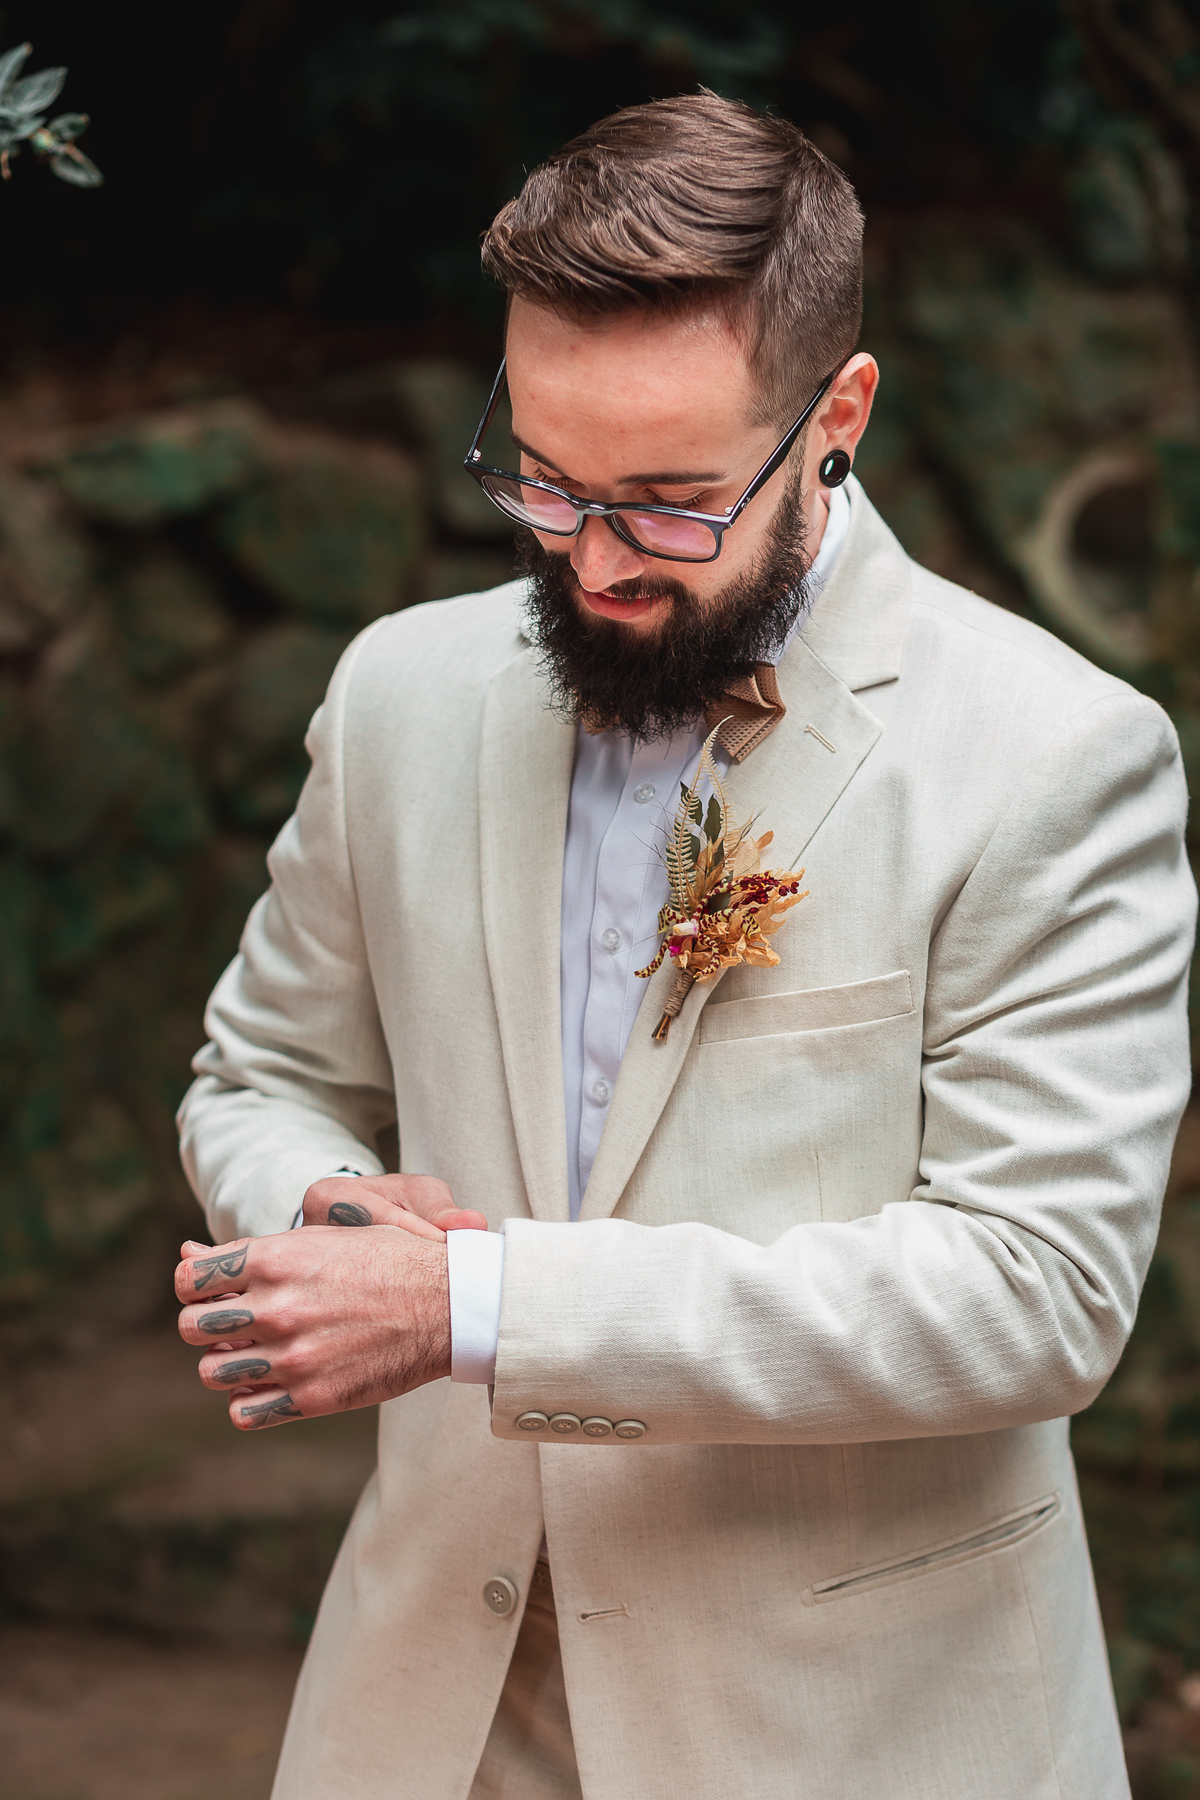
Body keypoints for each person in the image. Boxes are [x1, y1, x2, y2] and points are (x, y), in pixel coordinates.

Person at [175, 92, 1194, 1800]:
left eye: (667, 502)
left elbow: (1037, 1293)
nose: (586, 560)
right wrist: (323, 1212)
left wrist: (479, 1305)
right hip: (434, 1708)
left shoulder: (1054, 755)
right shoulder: (400, 694)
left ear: (837, 415)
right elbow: (262, 1070)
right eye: (544, 479)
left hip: (846, 1728)